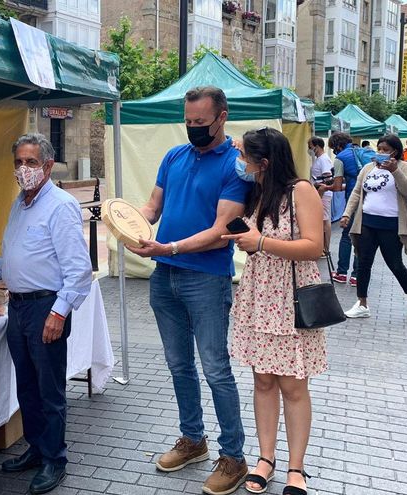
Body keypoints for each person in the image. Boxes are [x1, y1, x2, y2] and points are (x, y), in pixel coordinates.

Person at [128, 86, 250, 495]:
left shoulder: (236, 165)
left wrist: (170, 246)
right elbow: (152, 207)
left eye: (201, 122)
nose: (193, 128)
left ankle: (233, 456)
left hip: (206, 278)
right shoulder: (174, 156)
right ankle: (192, 439)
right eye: (189, 122)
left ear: (222, 117)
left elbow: (223, 232)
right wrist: (131, 223)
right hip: (165, 276)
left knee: (216, 369)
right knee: (179, 365)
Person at [0, 133, 92, 495]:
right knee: (26, 384)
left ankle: (55, 458)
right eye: (18, 162)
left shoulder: (60, 206)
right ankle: (37, 447)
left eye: (30, 162)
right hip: (19, 306)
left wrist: (59, 313)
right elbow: (12, 251)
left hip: (46, 306)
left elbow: (79, 270)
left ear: (47, 165)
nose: (23, 169)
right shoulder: (19, 204)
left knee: (49, 389)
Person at [222, 127, 325, 495]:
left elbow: (314, 246)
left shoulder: (301, 190)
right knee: (263, 380)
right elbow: (257, 243)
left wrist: (261, 241)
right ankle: (266, 458)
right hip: (259, 293)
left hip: (290, 296)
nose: (241, 163)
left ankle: (296, 468)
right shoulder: (259, 191)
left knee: (294, 386)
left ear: (263, 162)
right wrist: (248, 241)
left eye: (246, 157)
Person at [340, 135, 407, 319]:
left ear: (395, 151)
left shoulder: (406, 167)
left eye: (386, 150)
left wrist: (395, 171)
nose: (381, 153)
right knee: (363, 263)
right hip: (367, 222)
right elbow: (357, 191)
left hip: (391, 225)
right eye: (380, 149)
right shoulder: (369, 168)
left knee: (395, 264)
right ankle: (362, 303)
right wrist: (346, 213)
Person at [328, 132, 360, 286]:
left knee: (347, 235)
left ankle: (341, 272)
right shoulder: (362, 151)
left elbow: (337, 186)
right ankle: (357, 275)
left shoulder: (340, 158)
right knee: (362, 237)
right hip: (370, 201)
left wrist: (324, 187)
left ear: (337, 146)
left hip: (354, 200)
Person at [309, 137, 334, 251]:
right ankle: (324, 247)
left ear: (317, 146)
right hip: (320, 192)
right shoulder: (319, 159)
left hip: (323, 193)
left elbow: (328, 177)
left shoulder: (324, 159)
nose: (309, 149)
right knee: (323, 219)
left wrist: (318, 187)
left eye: (310, 146)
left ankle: (326, 248)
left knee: (324, 220)